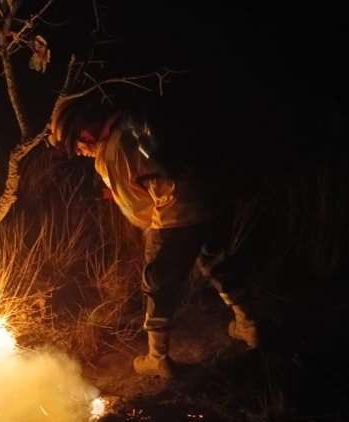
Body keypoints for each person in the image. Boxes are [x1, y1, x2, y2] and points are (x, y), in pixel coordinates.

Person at [48, 95, 259, 379]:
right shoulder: (131, 122)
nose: (80, 150)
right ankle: (250, 324)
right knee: (217, 260)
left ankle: (157, 359)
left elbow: (138, 208)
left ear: (85, 125)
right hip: (210, 198)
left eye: (76, 142)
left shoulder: (111, 153)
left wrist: (153, 229)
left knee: (158, 281)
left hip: (177, 213)